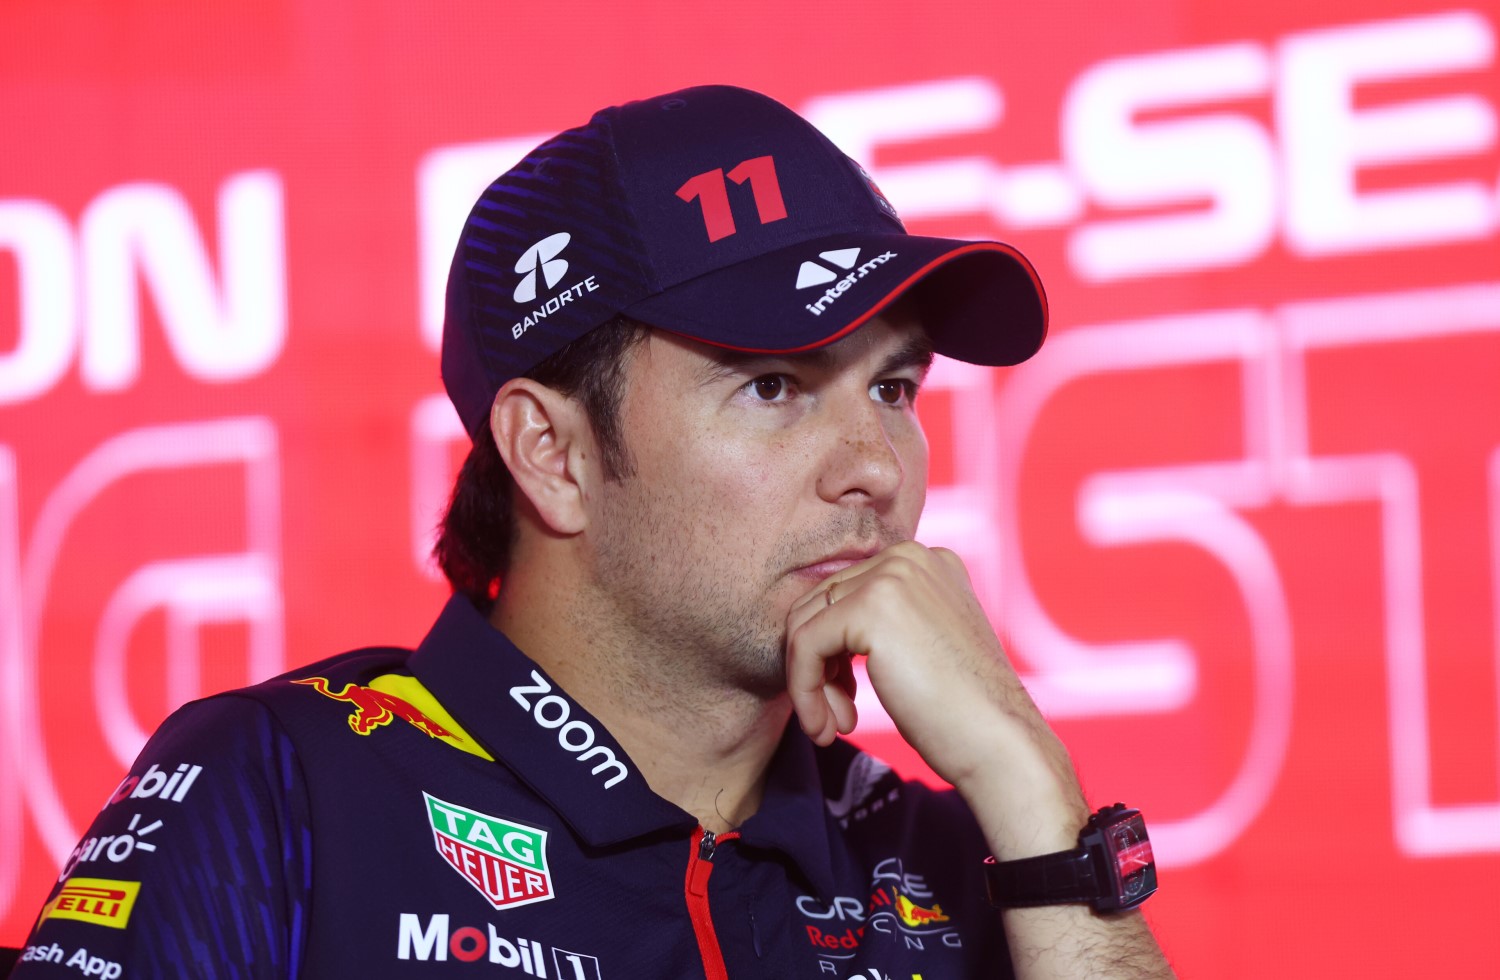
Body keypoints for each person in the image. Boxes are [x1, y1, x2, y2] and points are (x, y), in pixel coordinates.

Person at [11, 85, 1173, 978]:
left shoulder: (951, 857)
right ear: (552, 456)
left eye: (895, 387)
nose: (876, 467)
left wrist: (1032, 789)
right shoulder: (284, 789)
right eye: (772, 385)